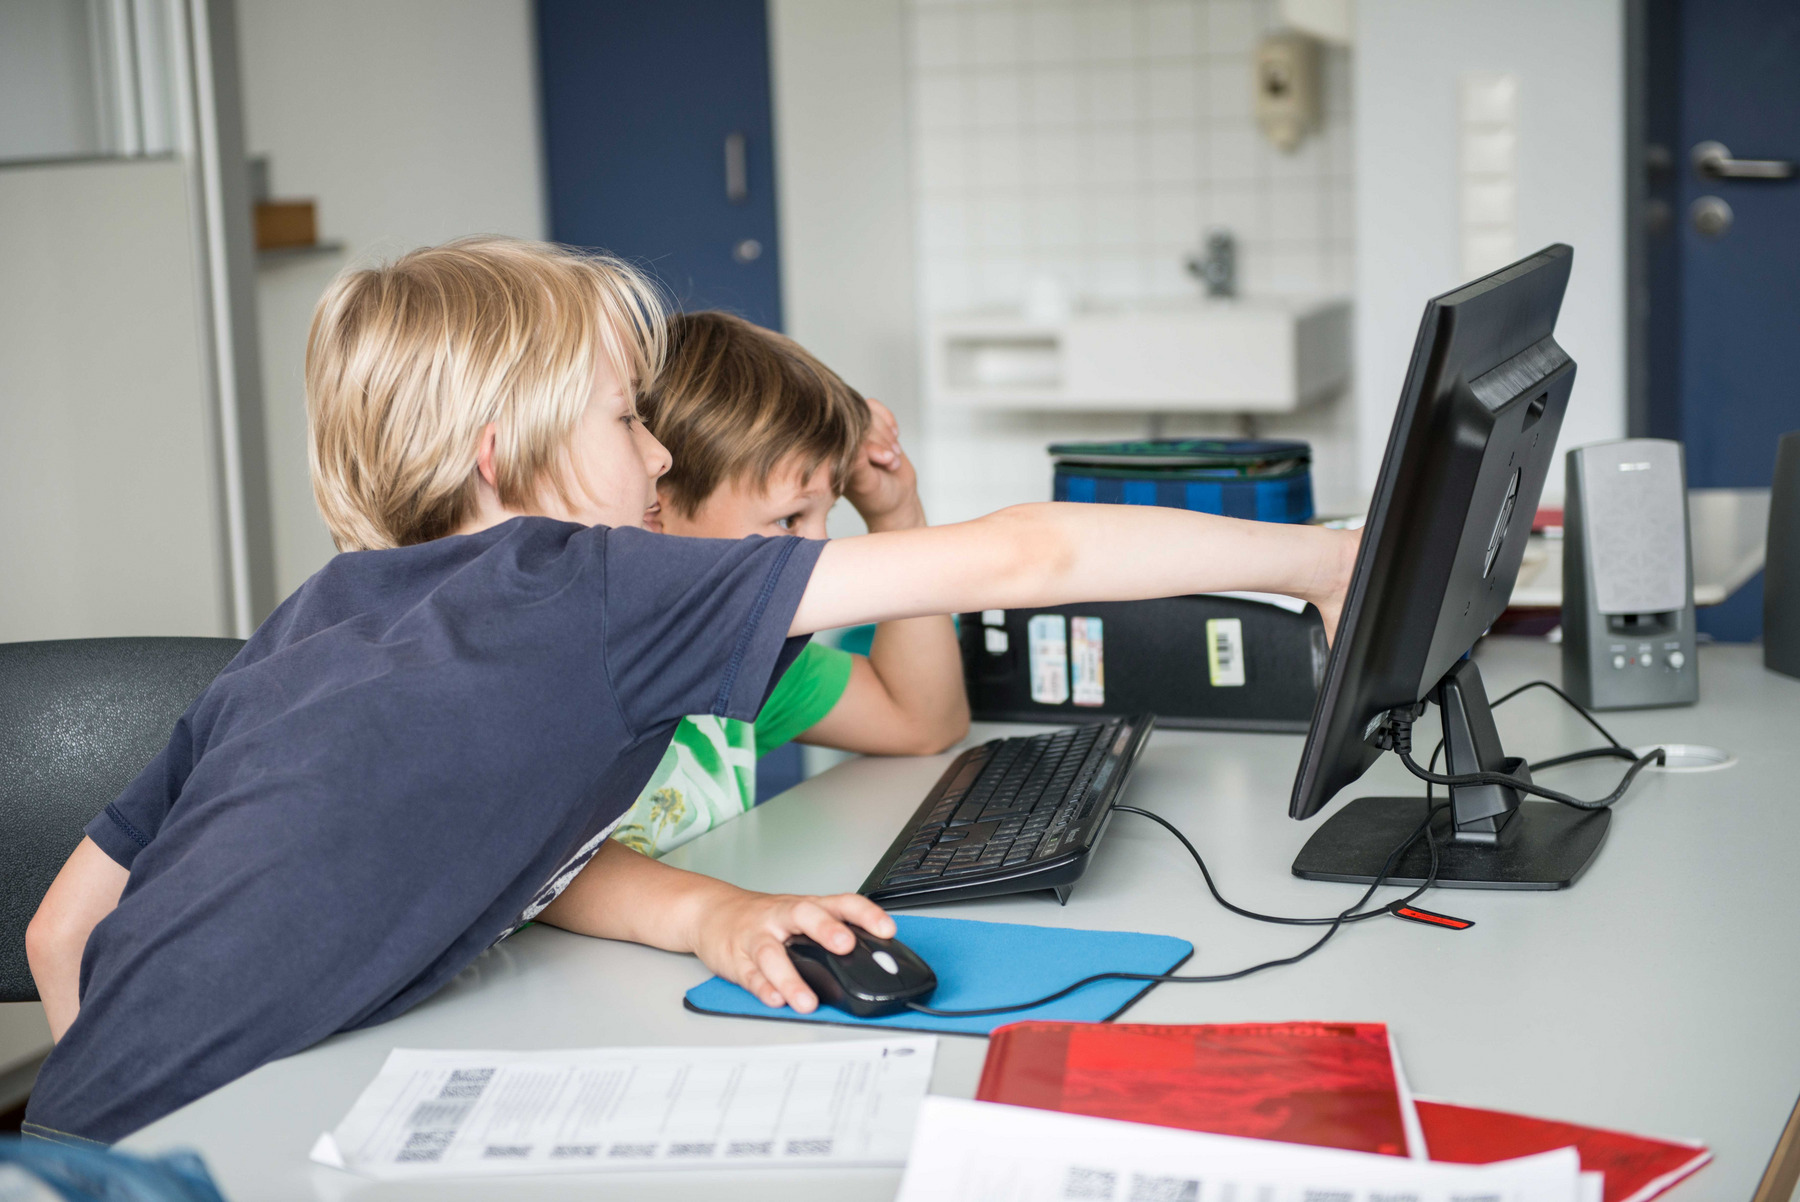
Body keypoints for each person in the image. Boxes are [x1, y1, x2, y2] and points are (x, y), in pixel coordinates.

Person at [23, 237, 1356, 1145]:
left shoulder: (326, 605)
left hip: (87, 1130)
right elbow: (1031, 553)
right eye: (622, 417)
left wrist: (117, 1103)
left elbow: (59, 926)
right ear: (504, 454)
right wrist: (1314, 559)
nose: (656, 446)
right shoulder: (577, 587)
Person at [613, 310, 966, 858]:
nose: (820, 547)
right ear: (654, 506)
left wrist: (899, 519)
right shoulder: (586, 669)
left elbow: (923, 722)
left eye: (827, 512)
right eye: (790, 519)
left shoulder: (744, 652)